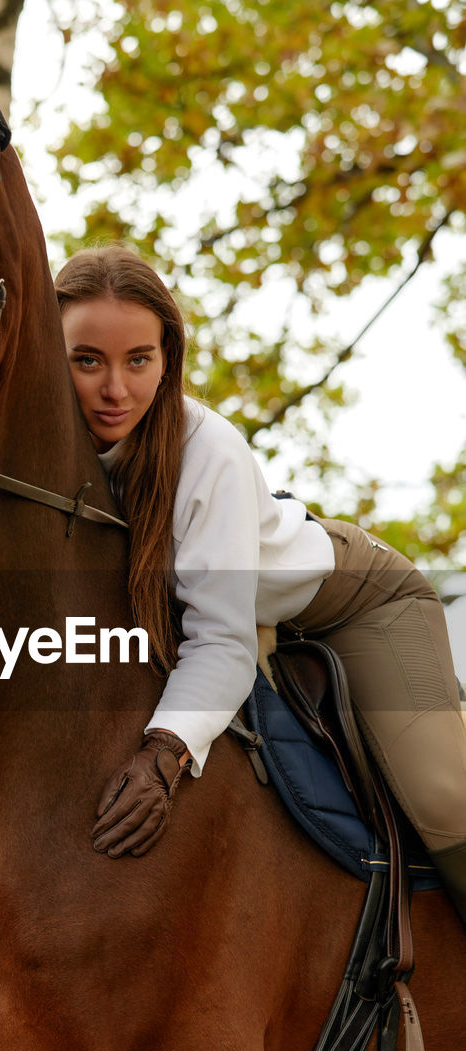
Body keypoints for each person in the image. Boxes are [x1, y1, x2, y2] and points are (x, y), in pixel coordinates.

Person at [55, 245, 466, 927]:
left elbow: (219, 642)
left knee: (442, 796)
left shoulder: (205, 449)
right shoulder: (50, 447)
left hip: (352, 602)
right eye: (86, 360)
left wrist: (162, 759)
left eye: (138, 360)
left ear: (168, 359)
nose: (115, 391)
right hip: (243, 613)